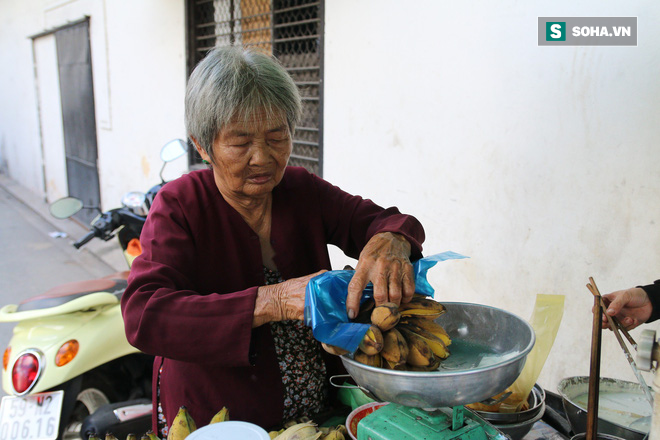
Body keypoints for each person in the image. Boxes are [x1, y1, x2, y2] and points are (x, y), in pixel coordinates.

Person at [120, 46, 425, 436]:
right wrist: (274, 300)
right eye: (241, 142)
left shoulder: (300, 189)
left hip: (316, 418)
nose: (263, 157)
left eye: (277, 136)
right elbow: (145, 314)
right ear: (202, 145)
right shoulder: (180, 205)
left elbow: (385, 222)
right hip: (221, 421)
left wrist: (392, 239)